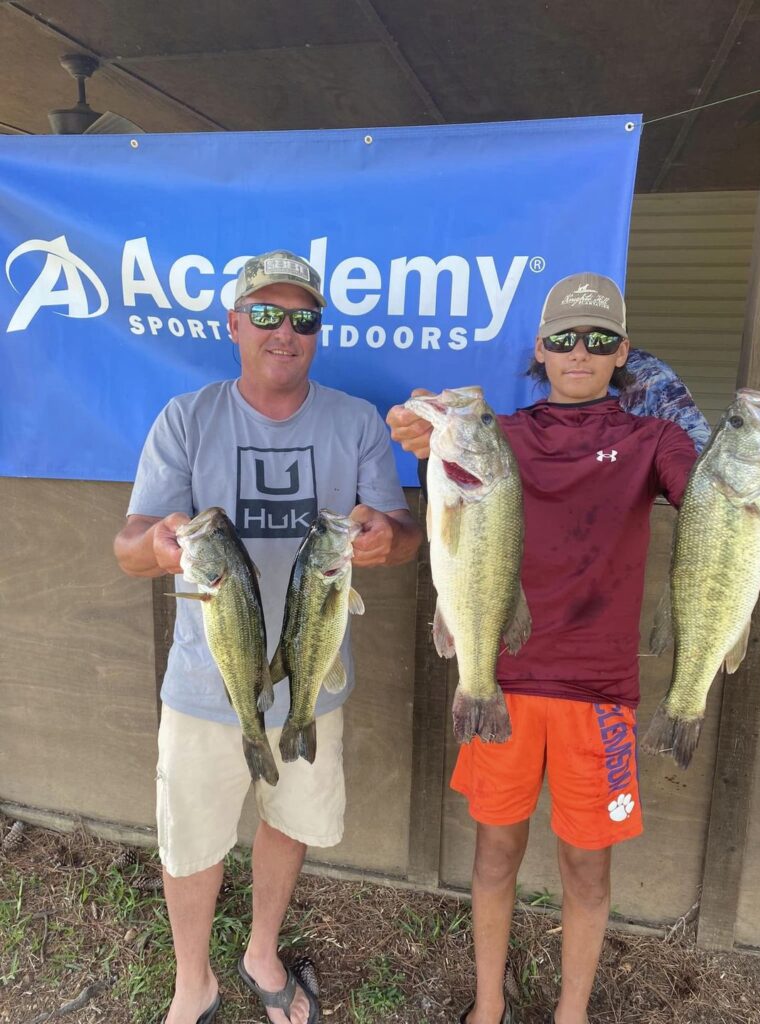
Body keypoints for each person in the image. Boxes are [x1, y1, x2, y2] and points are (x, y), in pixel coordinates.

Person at [114, 249, 422, 1024]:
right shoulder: (187, 418)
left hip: (312, 680)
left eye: (302, 318)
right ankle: (194, 982)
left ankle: (259, 951)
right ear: (233, 324)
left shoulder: (353, 421)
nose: (284, 331)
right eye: (265, 314)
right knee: (193, 840)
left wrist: (391, 536)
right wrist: (154, 549)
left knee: (290, 821)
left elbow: (404, 532)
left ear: (317, 331)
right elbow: (128, 547)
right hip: (202, 681)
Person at [386, 272, 699, 1024]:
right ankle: (487, 1007)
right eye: (564, 338)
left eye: (598, 340)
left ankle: (572, 1012)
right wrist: (424, 426)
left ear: (622, 352)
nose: (579, 352)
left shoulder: (653, 439)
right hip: (502, 680)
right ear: (540, 350)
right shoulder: (501, 436)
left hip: (602, 696)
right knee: (494, 853)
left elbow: (707, 496)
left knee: (587, 867)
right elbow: (440, 464)